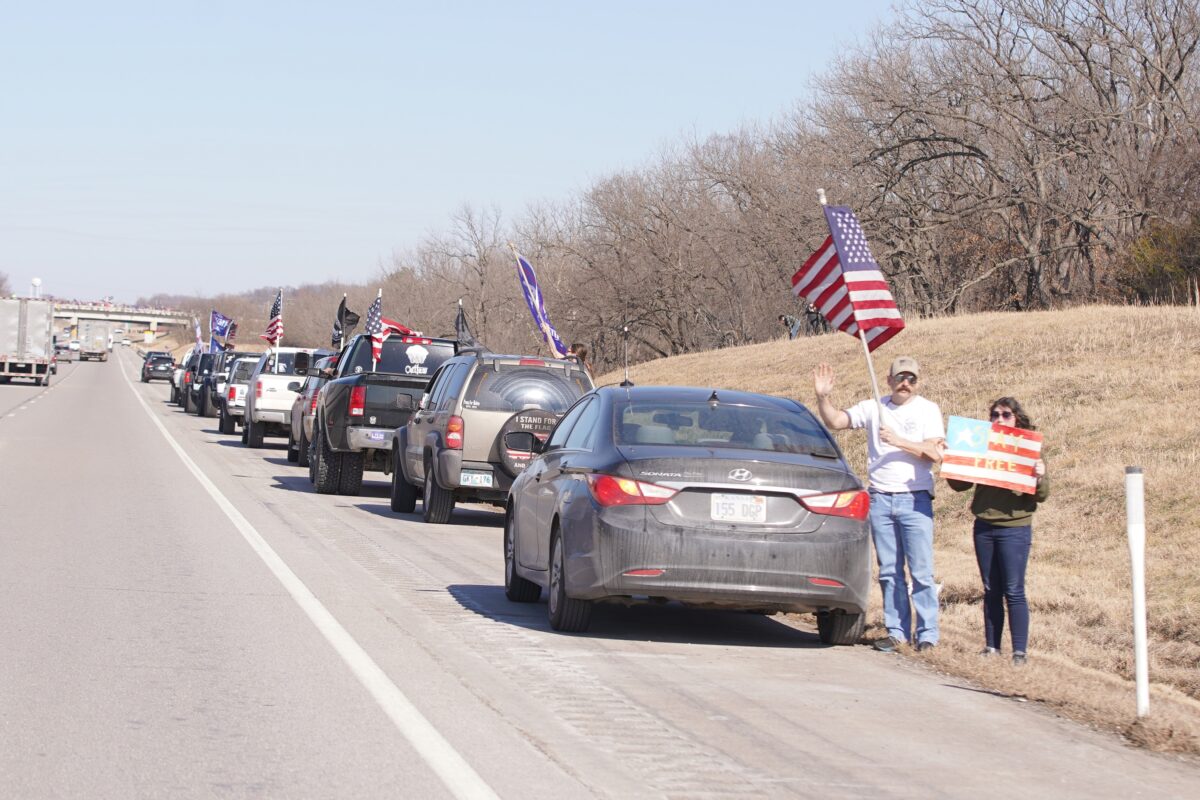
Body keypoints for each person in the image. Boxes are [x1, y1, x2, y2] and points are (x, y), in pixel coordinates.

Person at [813, 356, 945, 652]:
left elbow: (936, 452)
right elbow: (836, 421)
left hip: (915, 498)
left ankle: (927, 635)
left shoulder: (928, 410)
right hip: (881, 499)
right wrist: (823, 398)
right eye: (900, 378)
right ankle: (896, 631)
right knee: (889, 571)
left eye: (911, 379)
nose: (905, 383)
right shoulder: (874, 407)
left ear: (918, 382)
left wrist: (899, 441)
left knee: (921, 572)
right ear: (888, 380)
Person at [947, 397, 1049, 666]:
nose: (1000, 419)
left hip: (1015, 528)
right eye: (995, 415)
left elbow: (1043, 495)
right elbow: (959, 486)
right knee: (990, 589)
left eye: (1006, 415)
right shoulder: (981, 444)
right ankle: (992, 647)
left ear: (1017, 419)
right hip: (984, 526)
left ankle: (1019, 652)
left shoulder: (1028, 449)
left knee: (1014, 590)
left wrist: (1040, 475)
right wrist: (953, 459)